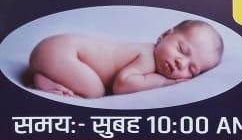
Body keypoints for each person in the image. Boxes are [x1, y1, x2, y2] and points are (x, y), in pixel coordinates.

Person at [29, 19, 223, 99]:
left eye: (192, 69)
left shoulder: (150, 58)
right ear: (164, 35)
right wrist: (164, 82)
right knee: (95, 91)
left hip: (58, 51)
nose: (181, 63)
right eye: (181, 49)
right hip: (62, 51)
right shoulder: (146, 55)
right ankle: (44, 78)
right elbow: (122, 85)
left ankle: (45, 72)